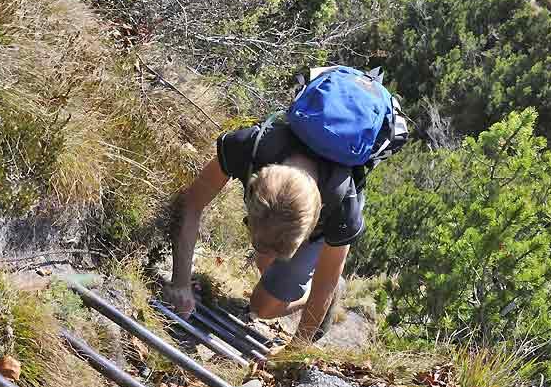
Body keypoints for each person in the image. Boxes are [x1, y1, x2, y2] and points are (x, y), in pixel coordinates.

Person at [164, 66, 407, 343]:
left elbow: (325, 280)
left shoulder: (342, 208)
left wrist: (297, 349)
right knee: (266, 260)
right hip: (281, 203)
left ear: (315, 223)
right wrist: (180, 282)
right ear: (254, 188)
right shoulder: (247, 147)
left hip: (321, 214)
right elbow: (192, 204)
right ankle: (276, 273)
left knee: (263, 307)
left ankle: (295, 290)